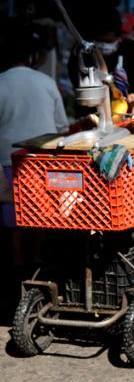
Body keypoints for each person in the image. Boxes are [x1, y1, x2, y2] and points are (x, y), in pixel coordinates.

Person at [0, 22, 69, 273]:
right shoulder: (47, 82)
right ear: (32, 57)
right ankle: (37, 259)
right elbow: (62, 125)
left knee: (12, 212)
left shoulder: (2, 82)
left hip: (7, 160)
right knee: (40, 209)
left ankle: (16, 262)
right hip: (42, 159)